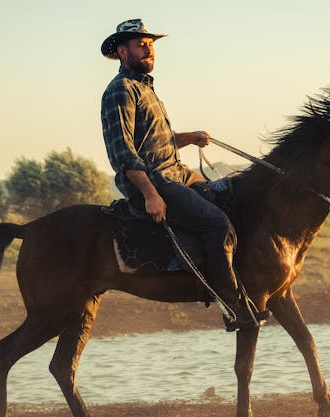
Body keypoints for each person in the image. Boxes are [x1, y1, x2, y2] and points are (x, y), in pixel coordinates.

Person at [100, 18, 265, 332]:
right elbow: (123, 152)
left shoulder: (145, 89)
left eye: (150, 43)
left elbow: (157, 140)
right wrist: (150, 194)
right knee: (217, 224)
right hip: (153, 180)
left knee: (228, 196)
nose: (149, 48)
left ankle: (242, 282)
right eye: (140, 44)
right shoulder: (120, 91)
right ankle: (232, 308)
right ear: (123, 52)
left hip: (176, 173)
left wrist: (188, 137)